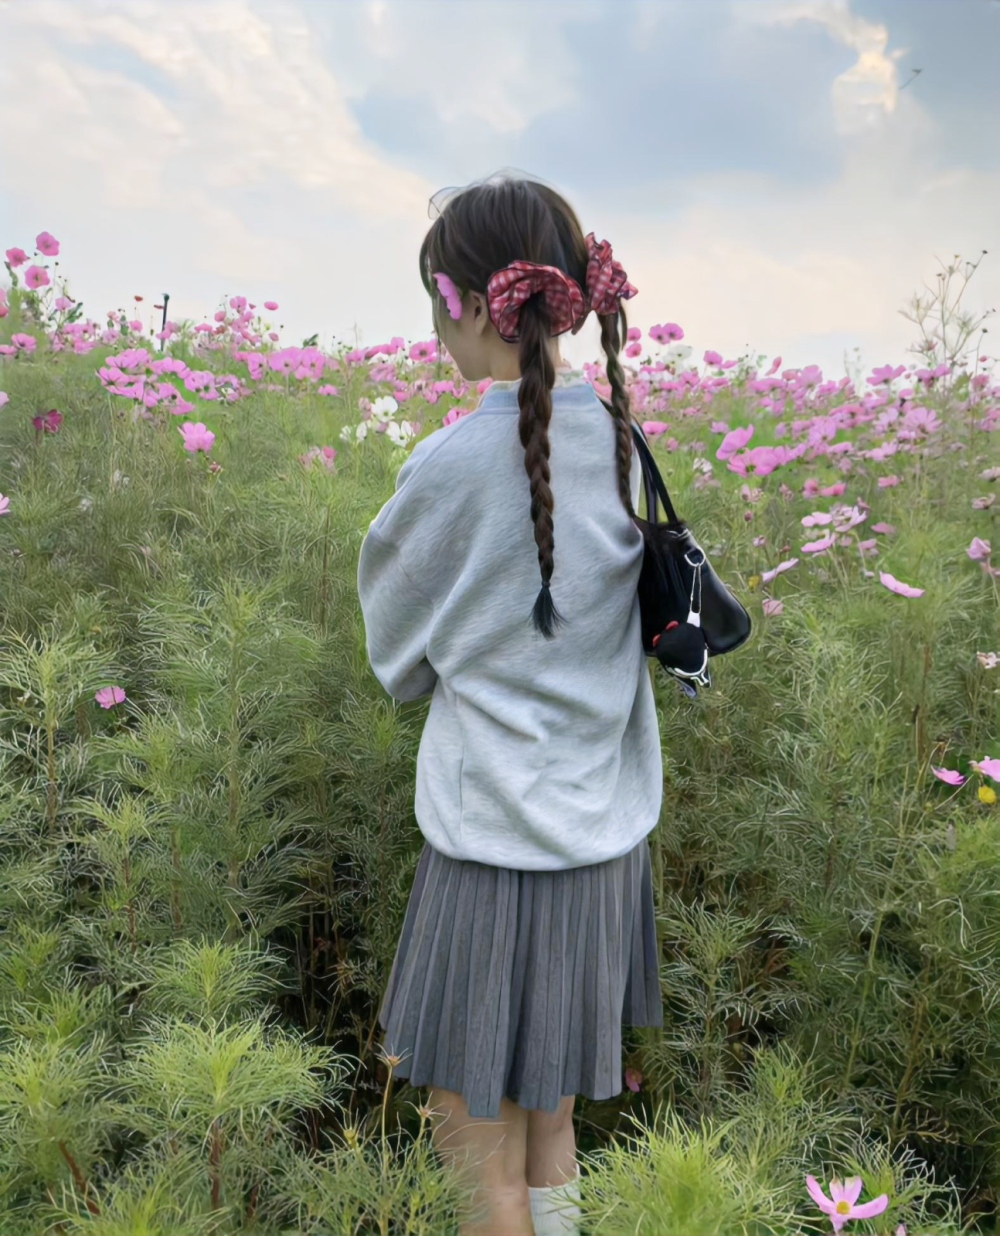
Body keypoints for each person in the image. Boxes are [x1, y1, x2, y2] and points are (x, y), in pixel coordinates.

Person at [357, 170, 664, 1236]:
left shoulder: (446, 466)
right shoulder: (624, 444)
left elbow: (396, 659)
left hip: (489, 853)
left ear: (456, 302)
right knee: (548, 1137)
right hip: (600, 853)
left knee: (474, 1158)